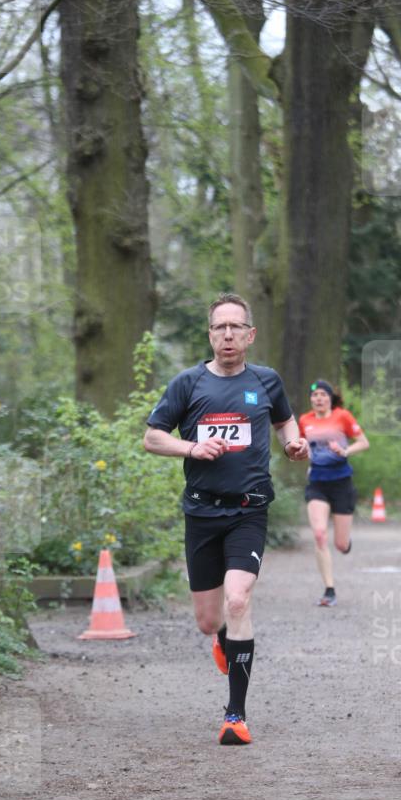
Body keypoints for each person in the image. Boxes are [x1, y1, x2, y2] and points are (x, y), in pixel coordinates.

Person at [143, 294, 309, 746]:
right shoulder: (188, 383)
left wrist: (294, 444)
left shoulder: (266, 381)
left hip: (248, 511)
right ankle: (221, 637)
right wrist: (191, 447)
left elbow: (285, 423)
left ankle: (235, 715)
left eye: (236, 327)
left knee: (238, 600)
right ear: (210, 335)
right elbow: (153, 438)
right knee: (208, 619)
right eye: (220, 327)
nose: (228, 335)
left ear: (250, 335)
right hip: (201, 511)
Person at [298, 380, 369, 607]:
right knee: (319, 534)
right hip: (317, 482)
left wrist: (344, 450)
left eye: (323, 394)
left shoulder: (342, 416)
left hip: (341, 483)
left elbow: (363, 443)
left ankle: (345, 542)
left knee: (340, 545)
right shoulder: (304, 420)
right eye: (314, 395)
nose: (318, 398)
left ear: (330, 398)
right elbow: (301, 446)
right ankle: (329, 590)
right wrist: (303, 454)